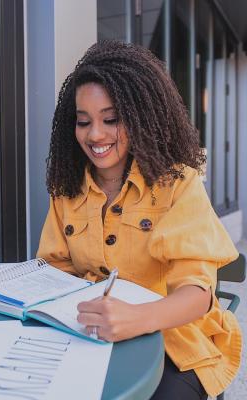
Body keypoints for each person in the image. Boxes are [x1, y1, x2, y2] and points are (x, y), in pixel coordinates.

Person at [37, 40, 242, 399]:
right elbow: (55, 272)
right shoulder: (66, 191)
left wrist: (138, 318)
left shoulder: (178, 184)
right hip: (90, 338)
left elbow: (198, 294)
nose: (95, 134)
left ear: (140, 117)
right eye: (83, 122)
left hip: (176, 343)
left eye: (111, 119)